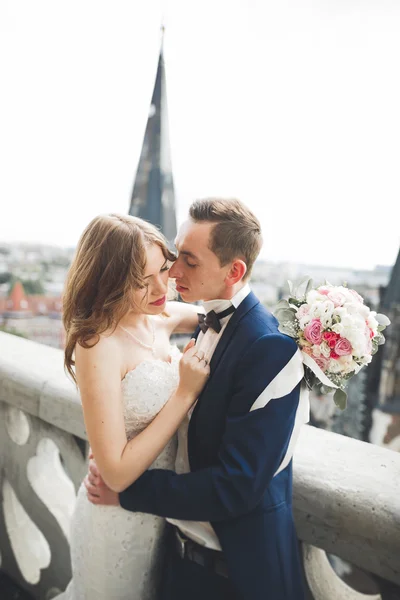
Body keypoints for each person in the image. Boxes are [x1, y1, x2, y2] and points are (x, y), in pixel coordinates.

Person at [87, 198, 309, 600]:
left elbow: (237, 486)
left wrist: (127, 493)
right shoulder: (202, 317)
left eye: (188, 260)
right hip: (176, 552)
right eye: (174, 255)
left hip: (237, 574)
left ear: (234, 271)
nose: (172, 272)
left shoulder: (269, 349)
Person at [58, 213, 210, 600]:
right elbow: (117, 474)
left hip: (160, 513)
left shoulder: (159, 317)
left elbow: (226, 316)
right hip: (115, 521)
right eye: (142, 282)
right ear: (109, 283)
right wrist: (184, 394)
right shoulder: (98, 345)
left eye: (163, 269)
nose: (162, 287)